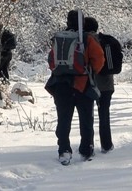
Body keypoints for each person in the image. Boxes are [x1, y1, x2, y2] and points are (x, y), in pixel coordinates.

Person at [45, 9, 105, 164]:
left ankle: (64, 150)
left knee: (63, 119)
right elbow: (99, 59)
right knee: (86, 119)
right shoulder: (87, 39)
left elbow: (52, 61)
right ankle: (86, 149)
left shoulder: (59, 38)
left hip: (60, 86)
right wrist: (89, 71)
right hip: (82, 85)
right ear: (83, 22)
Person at [85, 16, 118, 153]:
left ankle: (88, 144)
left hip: (88, 83)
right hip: (106, 83)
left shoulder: (84, 41)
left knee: (87, 115)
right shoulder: (105, 40)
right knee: (104, 114)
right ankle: (106, 144)